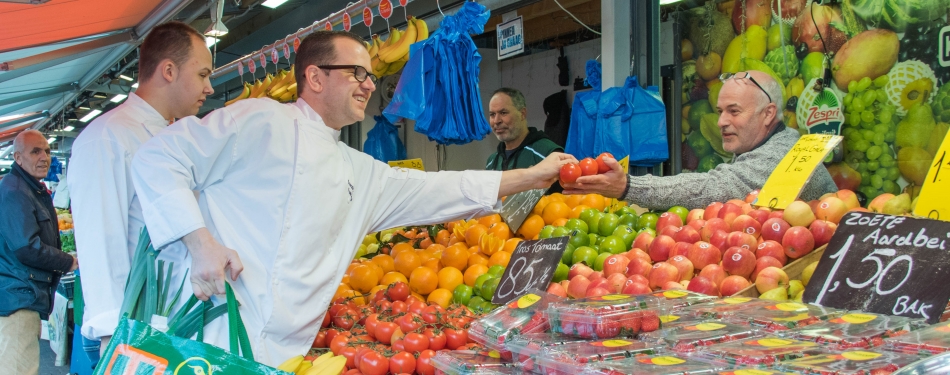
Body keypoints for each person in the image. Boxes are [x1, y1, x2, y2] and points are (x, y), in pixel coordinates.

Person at [130, 30, 572, 366]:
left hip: (286, 356)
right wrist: (199, 242)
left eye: (371, 76)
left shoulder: (355, 168)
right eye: (357, 73)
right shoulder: (261, 119)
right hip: (212, 335)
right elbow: (157, 157)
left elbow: (442, 189)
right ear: (316, 78)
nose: (367, 84)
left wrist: (533, 176)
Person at [67, 21, 213, 352]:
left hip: (167, 325)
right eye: (203, 74)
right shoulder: (109, 137)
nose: (210, 88)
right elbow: (100, 240)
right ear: (169, 71)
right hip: (131, 332)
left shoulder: (171, 137)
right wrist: (112, 337)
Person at [563, 70, 837, 209]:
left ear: (768, 114)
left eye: (734, 111)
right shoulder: (766, 146)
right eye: (720, 112)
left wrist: (629, 185)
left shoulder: (783, 154)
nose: (721, 122)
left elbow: (716, 187)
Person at [0, 130, 78, 375]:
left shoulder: (29, 188)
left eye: (46, 150)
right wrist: (68, 261)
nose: (44, 156)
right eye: (35, 151)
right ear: (18, 157)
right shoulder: (15, 192)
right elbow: (26, 247)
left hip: (20, 294)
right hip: (18, 298)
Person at [485, 88, 564, 170]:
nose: (496, 121)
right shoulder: (492, 161)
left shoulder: (548, 154)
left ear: (522, 114)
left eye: (503, 113)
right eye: (492, 114)